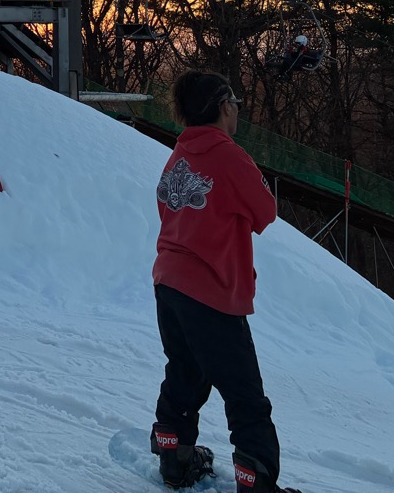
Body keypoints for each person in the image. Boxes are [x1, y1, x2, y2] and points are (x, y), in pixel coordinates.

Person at [150, 71, 297, 492]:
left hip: (168, 282)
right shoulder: (229, 156)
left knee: (185, 371)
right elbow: (265, 212)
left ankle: (174, 455)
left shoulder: (179, 153)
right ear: (222, 106)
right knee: (244, 392)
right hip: (210, 289)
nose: (237, 110)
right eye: (235, 102)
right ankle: (256, 480)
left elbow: (167, 207)